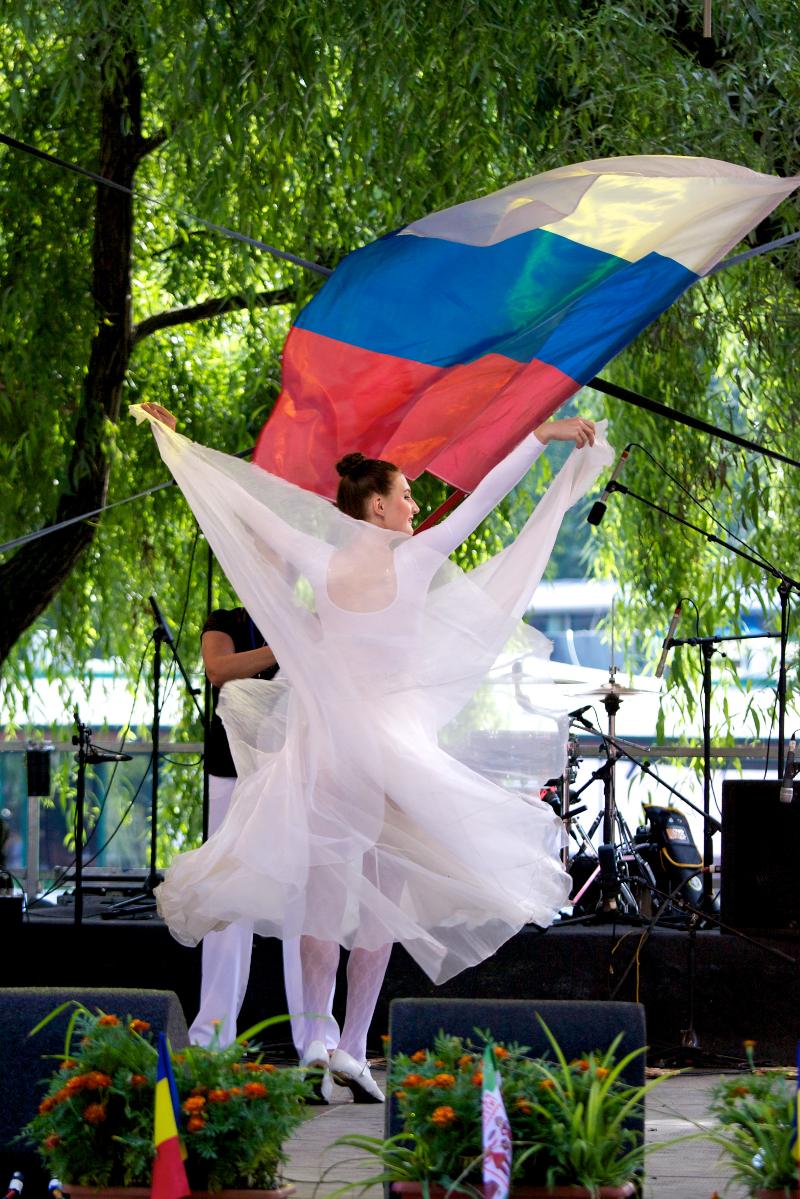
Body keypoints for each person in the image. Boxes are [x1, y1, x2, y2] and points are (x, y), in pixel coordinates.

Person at [134, 400, 612, 1101]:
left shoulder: (321, 560)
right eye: (406, 495)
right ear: (378, 507)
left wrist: (177, 446)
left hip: (330, 752)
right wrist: (540, 436)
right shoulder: (416, 559)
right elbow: (489, 496)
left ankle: (321, 1043)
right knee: (380, 907)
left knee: (326, 906)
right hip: (390, 754)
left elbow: (239, 500)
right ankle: (352, 1045)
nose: (416, 505)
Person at [190, 606, 340, 1059]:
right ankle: (211, 1038)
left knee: (306, 899)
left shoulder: (310, 617)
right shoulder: (228, 621)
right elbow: (218, 670)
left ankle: (316, 1039)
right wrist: (284, 649)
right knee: (227, 896)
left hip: (295, 770)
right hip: (232, 771)